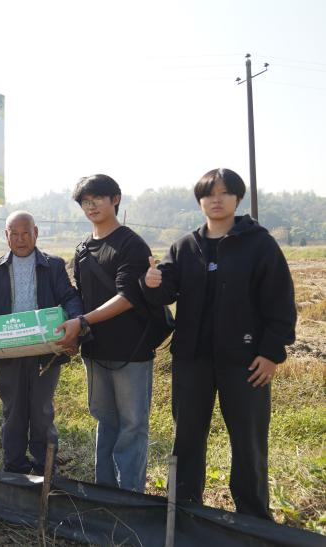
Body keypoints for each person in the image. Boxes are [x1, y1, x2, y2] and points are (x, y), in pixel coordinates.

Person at [141, 168, 295, 519]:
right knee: (187, 437)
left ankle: (253, 518)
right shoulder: (185, 246)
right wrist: (152, 282)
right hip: (192, 359)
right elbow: (166, 291)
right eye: (209, 194)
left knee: (248, 440)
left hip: (245, 360)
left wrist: (271, 353)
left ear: (238, 198)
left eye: (225, 193)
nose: (216, 199)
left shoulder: (259, 244)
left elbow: (280, 302)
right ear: (200, 201)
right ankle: (184, 509)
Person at [56, 174, 155, 493]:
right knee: (105, 419)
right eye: (85, 201)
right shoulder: (83, 249)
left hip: (131, 352)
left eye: (97, 198)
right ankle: (106, 491)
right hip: (96, 351)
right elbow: (80, 298)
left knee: (132, 424)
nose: (91, 206)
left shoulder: (131, 245)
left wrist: (82, 321)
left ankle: (131, 495)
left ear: (115, 199)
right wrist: (74, 331)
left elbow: (128, 297)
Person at [0, 211, 83, 475]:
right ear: (6, 236)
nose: (20, 239)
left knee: (42, 410)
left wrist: (76, 325)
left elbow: (69, 297)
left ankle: (45, 467)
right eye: (14, 234)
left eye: (25, 233)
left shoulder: (53, 266)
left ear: (36, 233)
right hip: (8, 352)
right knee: (13, 411)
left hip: (45, 352)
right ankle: (15, 468)